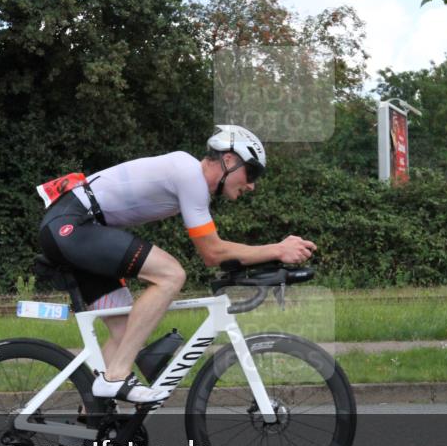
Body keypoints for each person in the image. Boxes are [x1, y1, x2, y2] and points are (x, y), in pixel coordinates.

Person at [37, 125, 317, 403]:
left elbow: (217, 252)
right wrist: (278, 250)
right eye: (252, 172)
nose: (252, 184)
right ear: (229, 160)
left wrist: (267, 257)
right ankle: (116, 377)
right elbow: (213, 253)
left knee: (126, 333)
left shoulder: (192, 183)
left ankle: (94, 424)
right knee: (170, 275)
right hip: (73, 225)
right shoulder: (188, 173)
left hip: (78, 228)